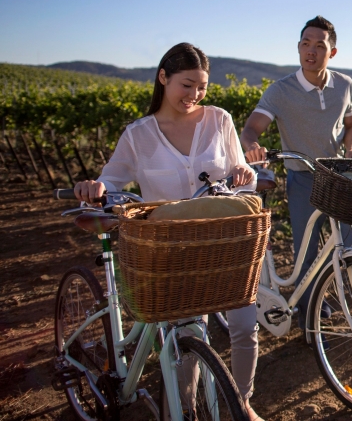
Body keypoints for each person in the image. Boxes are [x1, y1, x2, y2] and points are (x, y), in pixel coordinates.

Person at [73, 43, 264, 421]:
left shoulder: (220, 120)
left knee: (244, 327)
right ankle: (186, 409)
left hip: (223, 241)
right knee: (184, 337)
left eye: (202, 87)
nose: (194, 95)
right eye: (187, 85)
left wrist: (247, 175)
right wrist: (93, 187)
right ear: (163, 78)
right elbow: (110, 180)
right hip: (171, 249)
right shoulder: (138, 134)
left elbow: (243, 178)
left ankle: (242, 403)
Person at [241, 16, 352, 333]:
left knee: (350, 244)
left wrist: (351, 150)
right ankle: (310, 319)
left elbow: (351, 125)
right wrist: (252, 145)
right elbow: (251, 128)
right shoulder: (281, 91)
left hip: (338, 176)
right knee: (305, 253)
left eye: (319, 45)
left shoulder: (345, 85)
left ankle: (349, 299)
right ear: (298, 48)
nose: (311, 51)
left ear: (331, 52)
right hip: (302, 179)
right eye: (305, 44)